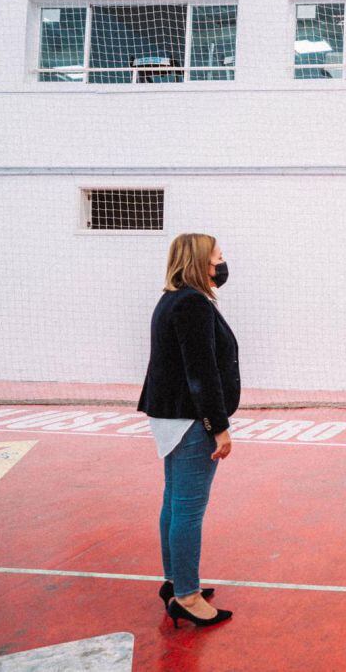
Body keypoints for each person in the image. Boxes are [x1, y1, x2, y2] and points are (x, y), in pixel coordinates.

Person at [138, 233, 239, 628]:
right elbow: (202, 373)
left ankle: (176, 580)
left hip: (171, 415)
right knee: (188, 508)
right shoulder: (193, 305)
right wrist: (219, 427)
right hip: (191, 419)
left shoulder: (173, 300)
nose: (223, 264)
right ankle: (187, 596)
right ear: (199, 262)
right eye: (217, 258)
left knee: (175, 500)